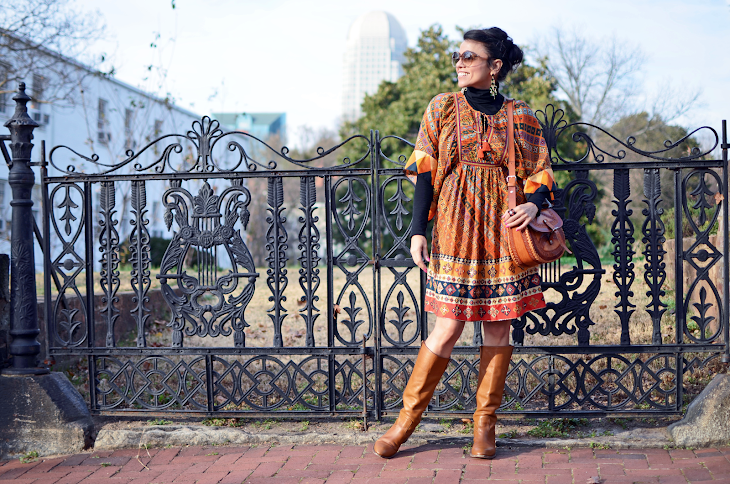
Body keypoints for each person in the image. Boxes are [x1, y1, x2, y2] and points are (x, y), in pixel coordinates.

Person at [373, 27, 556, 460]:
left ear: (494, 66)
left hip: (505, 230)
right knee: (448, 326)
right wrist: (418, 231)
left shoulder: (522, 115)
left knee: (498, 325)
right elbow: (424, 172)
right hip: (455, 226)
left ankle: (484, 427)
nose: (460, 62)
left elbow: (542, 172)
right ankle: (405, 423)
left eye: (470, 57)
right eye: (458, 55)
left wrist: (533, 206)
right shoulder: (442, 107)